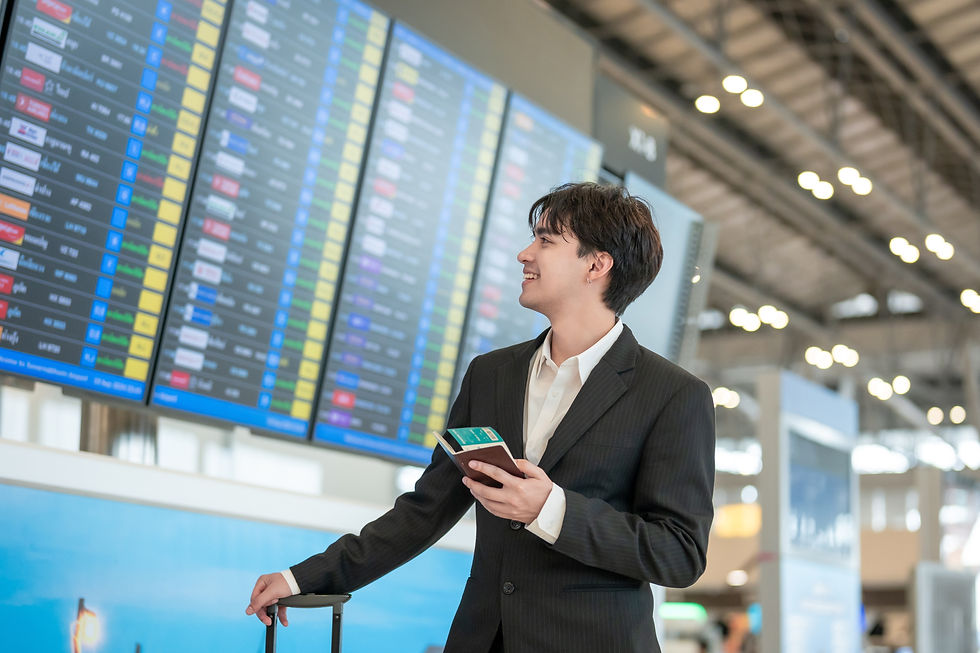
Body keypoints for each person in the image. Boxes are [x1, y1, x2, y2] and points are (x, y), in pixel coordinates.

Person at [246, 182, 716, 653]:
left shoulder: (673, 395)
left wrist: (550, 510)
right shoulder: (492, 374)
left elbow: (679, 552)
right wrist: (302, 577)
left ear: (597, 264)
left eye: (546, 241)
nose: (524, 254)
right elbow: (426, 510)